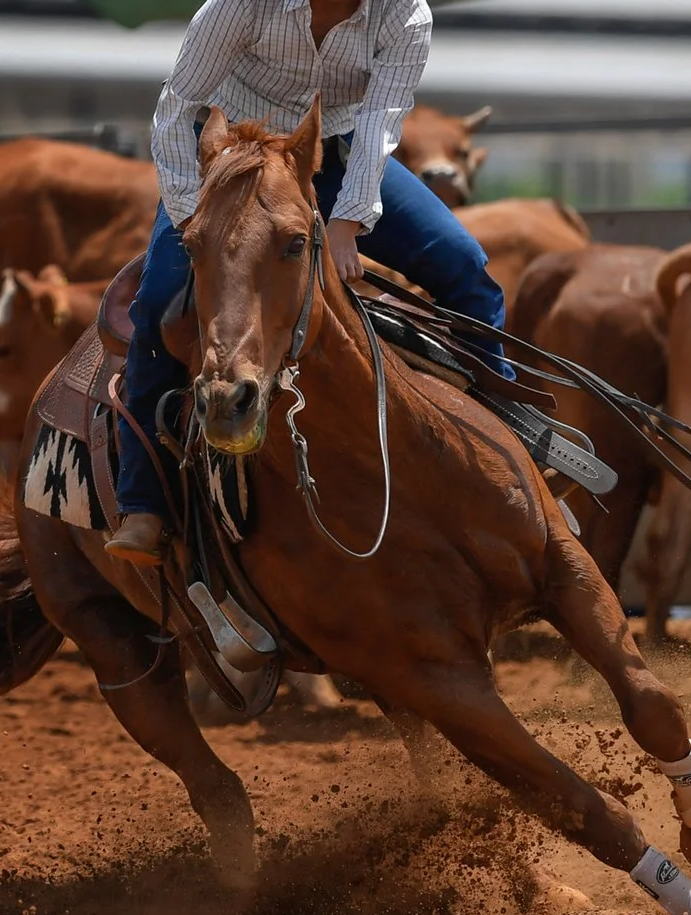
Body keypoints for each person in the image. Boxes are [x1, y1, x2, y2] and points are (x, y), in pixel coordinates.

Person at [104, 0, 507, 566]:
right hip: (232, 158)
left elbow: (380, 121)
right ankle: (143, 501)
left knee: (466, 269)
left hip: (334, 149)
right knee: (156, 304)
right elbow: (178, 104)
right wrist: (196, 217)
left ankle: (505, 448)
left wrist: (348, 221)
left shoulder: (405, 15)